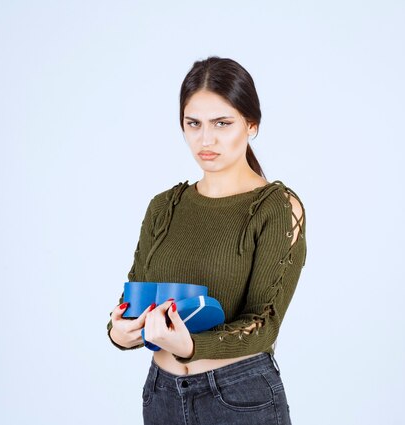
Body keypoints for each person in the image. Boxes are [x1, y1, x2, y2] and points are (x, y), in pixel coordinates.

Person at [106, 56, 307, 425]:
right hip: (162, 395)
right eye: (193, 123)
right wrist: (120, 332)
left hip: (238, 398)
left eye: (222, 123)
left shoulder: (277, 207)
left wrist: (193, 346)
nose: (205, 139)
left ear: (251, 125)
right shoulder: (164, 207)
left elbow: (264, 323)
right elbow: (132, 297)